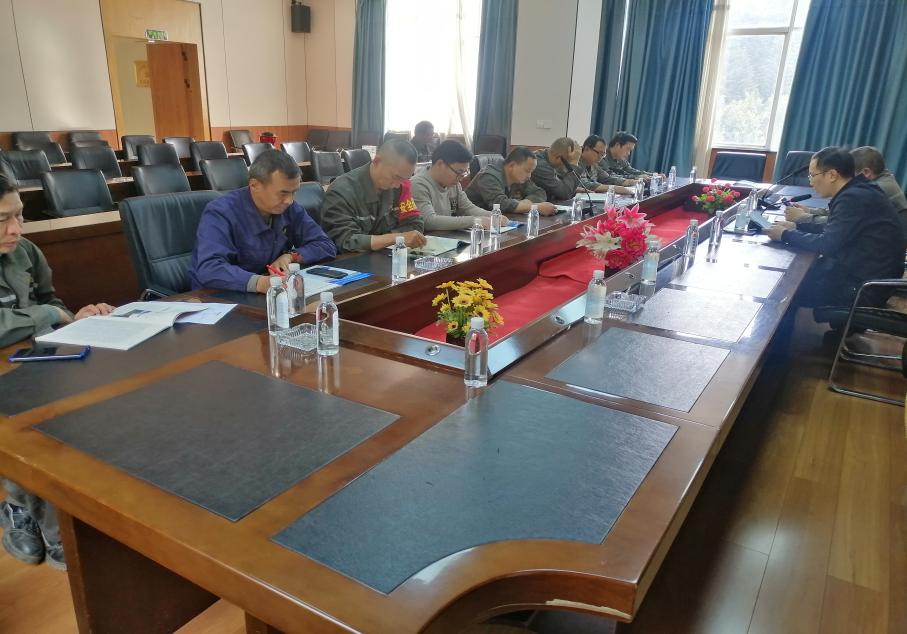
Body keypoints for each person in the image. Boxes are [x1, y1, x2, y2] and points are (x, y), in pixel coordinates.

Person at [0, 176, 115, 571]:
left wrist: (75, 317)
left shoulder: (25, 251)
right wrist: (49, 314)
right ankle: (41, 520)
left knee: (77, 402)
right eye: (2, 219)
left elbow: (53, 302)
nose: (15, 229)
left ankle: (34, 510)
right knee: (26, 417)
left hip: (30, 360)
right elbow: (46, 311)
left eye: (19, 216)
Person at [766, 146, 905, 310]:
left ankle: (779, 327)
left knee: (786, 288)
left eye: (812, 175)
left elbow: (827, 244)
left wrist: (785, 234)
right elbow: (836, 228)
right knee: (798, 276)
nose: (810, 182)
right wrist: (797, 225)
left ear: (832, 175)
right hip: (868, 275)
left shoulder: (853, 198)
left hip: (862, 287)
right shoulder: (860, 190)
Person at [189, 150, 336, 293]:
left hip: (269, 290)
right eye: (283, 193)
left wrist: (292, 256)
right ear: (254, 185)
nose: (289, 201)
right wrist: (260, 283)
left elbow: (326, 245)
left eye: (294, 192)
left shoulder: (289, 208)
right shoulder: (220, 213)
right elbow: (209, 268)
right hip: (219, 296)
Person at [320, 139, 427, 252]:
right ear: (377, 161)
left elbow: (415, 224)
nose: (397, 185)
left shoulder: (401, 187)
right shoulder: (341, 192)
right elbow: (346, 241)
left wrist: (385, 239)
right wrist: (396, 238)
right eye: (396, 177)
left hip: (386, 256)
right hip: (353, 260)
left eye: (404, 179)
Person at [786, 146, 907, 235]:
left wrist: (802, 217)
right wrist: (810, 211)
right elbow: (843, 214)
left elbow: (838, 222)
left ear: (866, 172)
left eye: (850, 173)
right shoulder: (883, 179)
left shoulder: (875, 190)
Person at [410, 140, 492, 231]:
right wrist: (475, 221)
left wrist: (494, 216)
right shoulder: (418, 184)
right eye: (459, 172)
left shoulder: (453, 184)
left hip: (447, 237)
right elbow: (429, 221)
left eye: (464, 173)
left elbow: (468, 208)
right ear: (440, 164)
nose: (461, 178)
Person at [465, 147, 557, 215]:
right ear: (512, 166)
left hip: (499, 220)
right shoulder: (488, 176)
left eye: (531, 172)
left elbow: (539, 192)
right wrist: (535, 207)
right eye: (527, 171)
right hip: (472, 224)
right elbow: (500, 204)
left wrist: (526, 203)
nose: (529, 176)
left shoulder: (519, 178)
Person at [529, 137, 584, 202]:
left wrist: (574, 190)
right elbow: (565, 193)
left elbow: (561, 185)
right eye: (568, 163)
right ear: (558, 157)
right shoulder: (539, 165)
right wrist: (574, 164)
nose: (566, 168)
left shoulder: (549, 157)